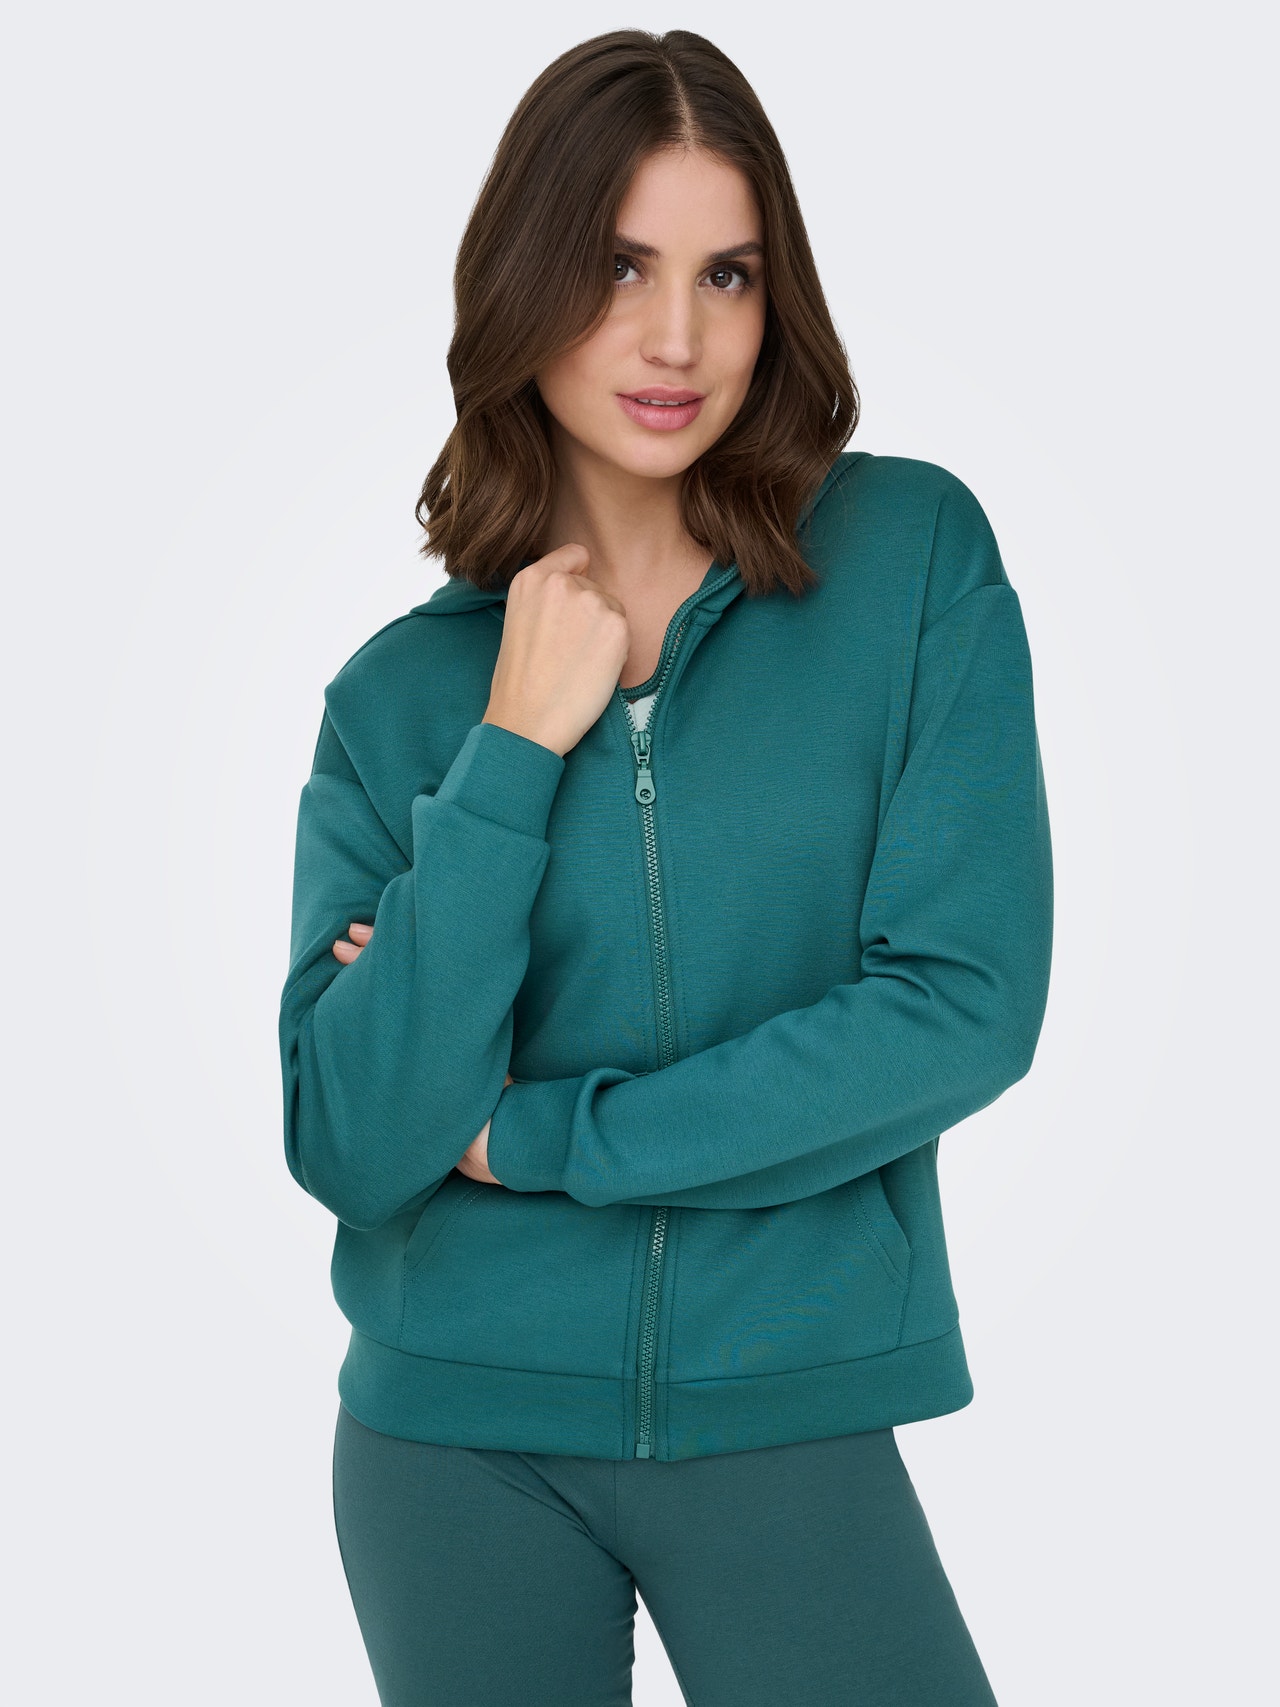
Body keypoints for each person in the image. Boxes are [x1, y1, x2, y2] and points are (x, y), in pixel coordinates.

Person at [278, 27, 1053, 1707]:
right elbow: (355, 1140)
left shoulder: (909, 562)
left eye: (728, 274)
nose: (678, 338)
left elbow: (959, 1008)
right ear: (523, 284)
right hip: (449, 1447)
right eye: (620, 267)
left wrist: (541, 1136)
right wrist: (510, 750)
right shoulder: (400, 697)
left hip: (783, 1407)